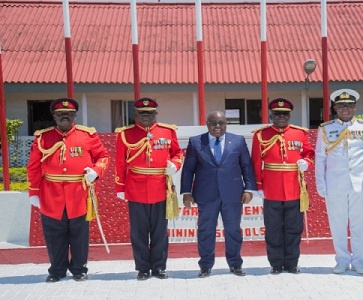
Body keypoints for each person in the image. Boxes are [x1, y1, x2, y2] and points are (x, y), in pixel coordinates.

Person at [27, 97, 110, 283]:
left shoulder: (87, 135)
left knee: (79, 234)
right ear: (54, 116)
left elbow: (103, 156)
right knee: (54, 234)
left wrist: (95, 172)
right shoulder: (43, 137)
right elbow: (33, 166)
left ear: (75, 116)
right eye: (60, 114)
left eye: (69, 114)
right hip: (51, 193)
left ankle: (79, 269)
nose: (64, 117)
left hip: (79, 193)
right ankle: (56, 270)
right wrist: (33, 192)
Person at [180, 111, 256, 278]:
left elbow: (246, 167)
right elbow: (188, 169)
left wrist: (249, 189)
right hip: (206, 194)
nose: (217, 126)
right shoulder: (196, 142)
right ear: (207, 124)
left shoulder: (237, 141)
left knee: (233, 230)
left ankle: (235, 264)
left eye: (221, 123)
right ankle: (205, 266)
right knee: (205, 230)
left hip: (233, 194)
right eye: (213, 123)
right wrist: (186, 192)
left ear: (226, 124)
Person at [115, 97, 183, 280]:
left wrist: (175, 165)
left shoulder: (168, 132)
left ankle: (159, 267)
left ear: (156, 114)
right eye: (142, 113)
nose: (146, 116)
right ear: (135, 114)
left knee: (160, 231)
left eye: (150, 113)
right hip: (135, 188)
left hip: (161, 187)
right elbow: (120, 162)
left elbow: (177, 153)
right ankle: (143, 268)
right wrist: (120, 187)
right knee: (139, 232)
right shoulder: (124, 134)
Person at [251, 98, 315, 274]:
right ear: (271, 115)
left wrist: (306, 163)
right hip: (271, 189)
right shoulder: (260, 135)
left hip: (294, 188)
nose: (281, 117)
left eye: (285, 114)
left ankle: (292, 263)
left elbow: (310, 154)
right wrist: (258, 185)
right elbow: (256, 162)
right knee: (273, 229)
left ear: (289, 115)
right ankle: (276, 264)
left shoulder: (299, 134)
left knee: (294, 229)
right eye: (277, 114)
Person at [315, 89, 363, 275]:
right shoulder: (326, 129)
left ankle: (359, 261)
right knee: (338, 223)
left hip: (360, 184)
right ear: (335, 108)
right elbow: (320, 159)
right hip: (335, 184)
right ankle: (341, 259)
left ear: (355, 107)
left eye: (349, 105)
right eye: (341, 105)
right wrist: (321, 184)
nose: (345, 108)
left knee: (360, 224)